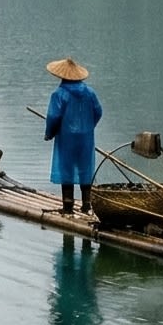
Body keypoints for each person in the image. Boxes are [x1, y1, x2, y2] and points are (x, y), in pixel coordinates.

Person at [42, 57, 102, 215]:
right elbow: (98, 111)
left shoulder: (59, 94)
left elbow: (53, 116)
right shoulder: (90, 92)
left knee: (66, 168)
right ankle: (86, 205)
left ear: (62, 76)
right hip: (86, 137)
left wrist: (50, 133)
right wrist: (89, 126)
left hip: (67, 137)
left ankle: (68, 207)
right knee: (85, 168)